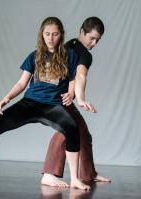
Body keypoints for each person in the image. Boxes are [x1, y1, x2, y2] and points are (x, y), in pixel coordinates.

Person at [0, 16, 90, 190]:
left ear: (61, 35)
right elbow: (22, 83)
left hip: (53, 106)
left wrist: (72, 93)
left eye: (55, 34)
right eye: (47, 34)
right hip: (29, 103)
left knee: (72, 128)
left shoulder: (70, 56)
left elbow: (74, 80)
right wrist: (7, 97)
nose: (51, 38)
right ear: (42, 35)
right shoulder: (35, 56)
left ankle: (74, 179)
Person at [41, 17, 111, 187]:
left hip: (56, 96)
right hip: (59, 98)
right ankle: (49, 174)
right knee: (67, 131)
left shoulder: (67, 46)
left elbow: (71, 74)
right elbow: (80, 75)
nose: (93, 43)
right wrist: (80, 97)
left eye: (97, 40)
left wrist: (72, 92)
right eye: (91, 38)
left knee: (83, 134)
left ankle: (88, 173)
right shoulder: (84, 54)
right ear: (82, 32)